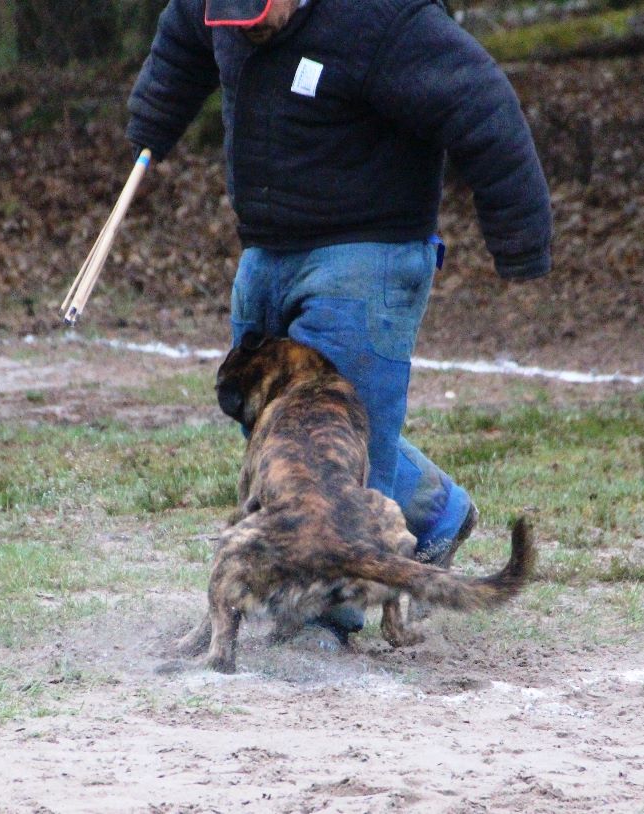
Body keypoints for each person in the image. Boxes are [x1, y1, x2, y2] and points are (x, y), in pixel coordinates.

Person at [128, 0, 552, 640]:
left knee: (351, 440)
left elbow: (481, 103)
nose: (246, 30)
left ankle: (330, 616)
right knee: (285, 431)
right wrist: (151, 126)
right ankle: (436, 512)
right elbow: (183, 43)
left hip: (368, 252)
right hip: (266, 245)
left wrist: (520, 239)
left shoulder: (383, 19)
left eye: (258, 15)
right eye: (230, 18)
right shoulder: (218, 10)